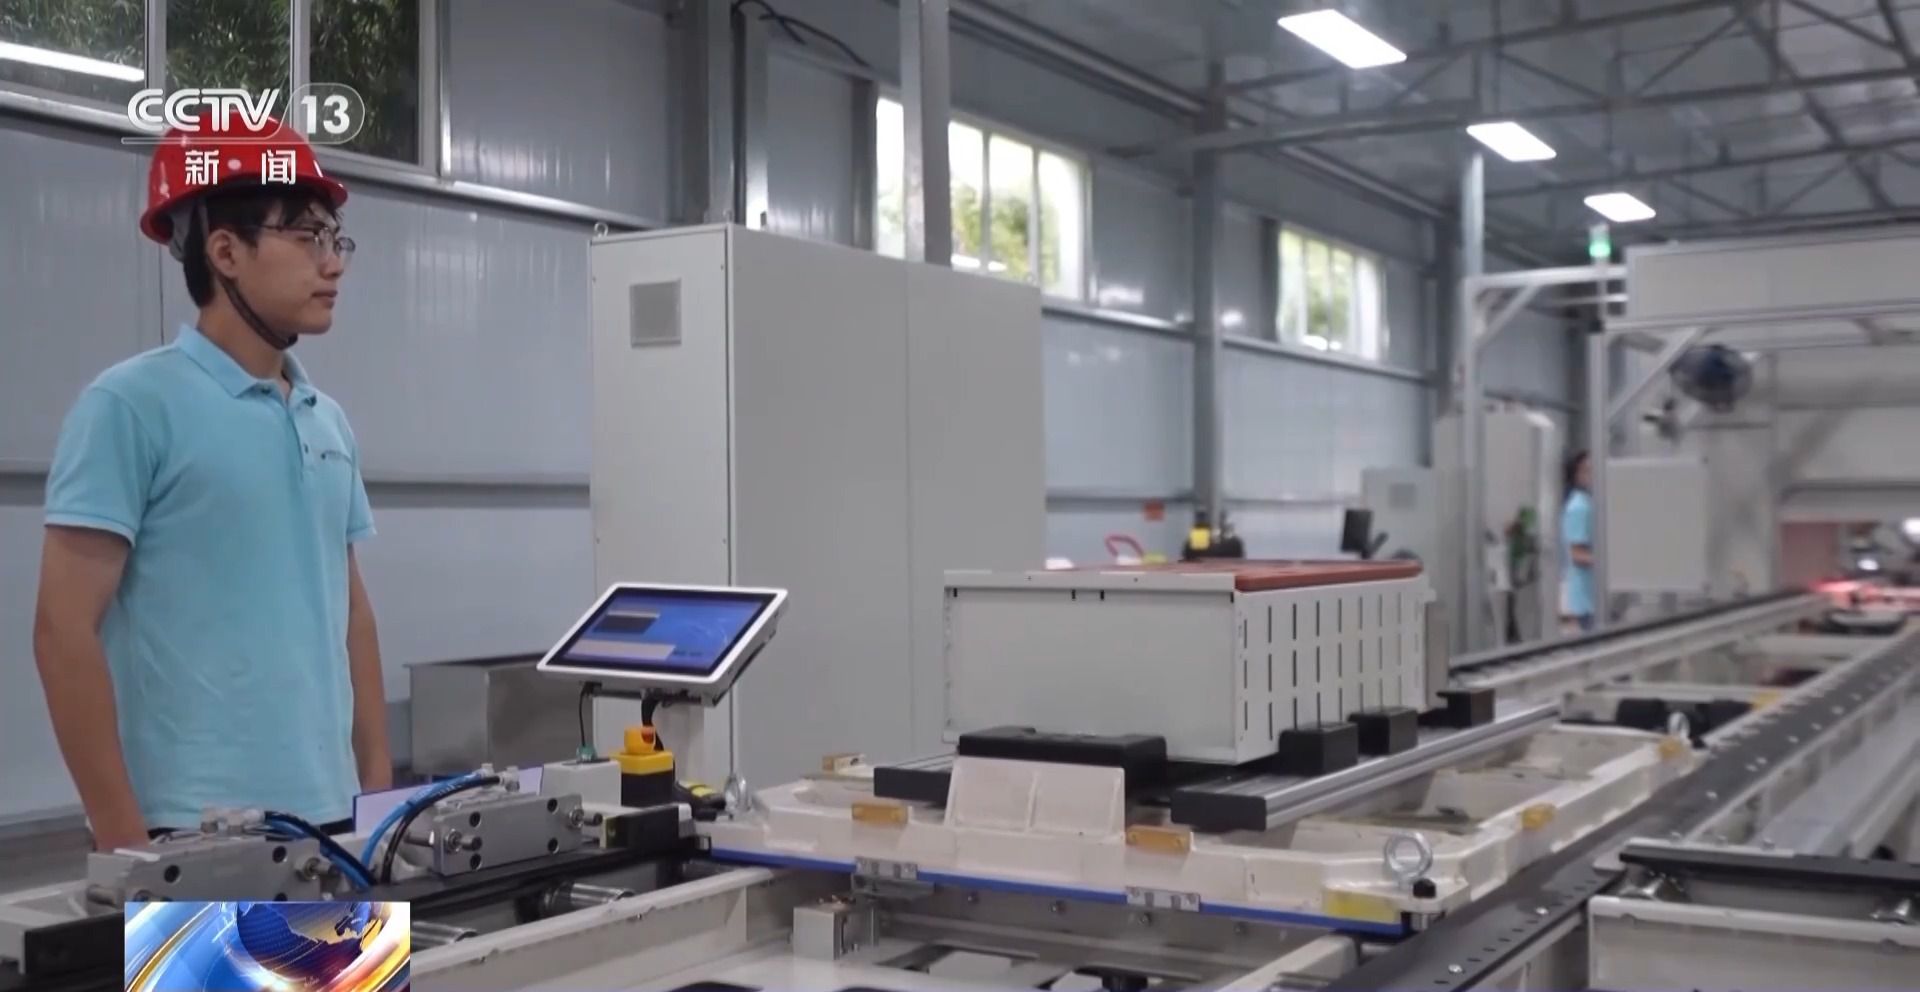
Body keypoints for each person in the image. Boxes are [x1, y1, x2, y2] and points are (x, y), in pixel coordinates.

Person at [32, 117, 390, 850]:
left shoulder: (328, 421)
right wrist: (126, 841)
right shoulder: (129, 407)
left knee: (364, 945)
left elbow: (351, 611)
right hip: (189, 834)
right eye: (307, 236)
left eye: (335, 238)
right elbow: (62, 630)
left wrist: (379, 798)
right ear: (225, 251)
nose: (333, 263)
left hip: (334, 824)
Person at [1560, 450, 1596, 633]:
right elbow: (1577, 554)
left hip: (1591, 598)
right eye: (1587, 470)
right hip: (1585, 600)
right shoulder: (1579, 507)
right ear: (1577, 475)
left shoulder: (1588, 503)